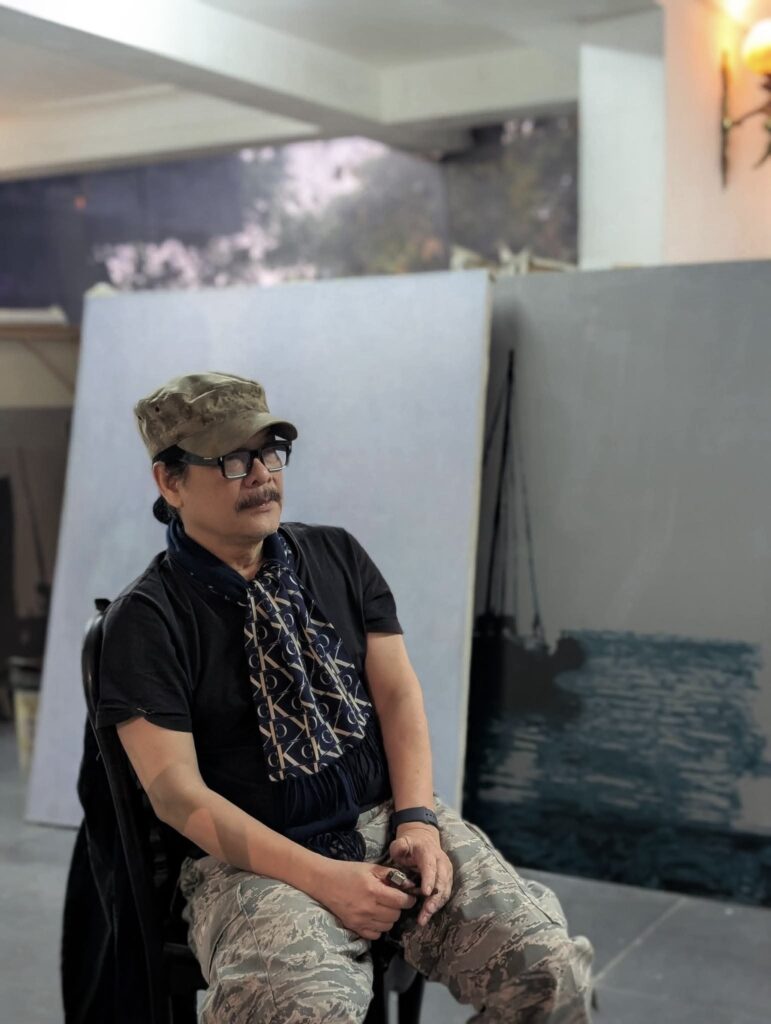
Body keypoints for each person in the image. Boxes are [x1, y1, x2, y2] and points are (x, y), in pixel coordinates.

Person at [98, 370, 594, 1023]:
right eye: (231, 460)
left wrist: (417, 821)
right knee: (299, 1011)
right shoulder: (147, 621)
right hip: (252, 863)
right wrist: (325, 879)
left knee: (549, 971)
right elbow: (176, 796)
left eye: (270, 453)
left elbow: (397, 696)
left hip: (385, 819)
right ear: (170, 481)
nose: (261, 476)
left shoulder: (336, 556)